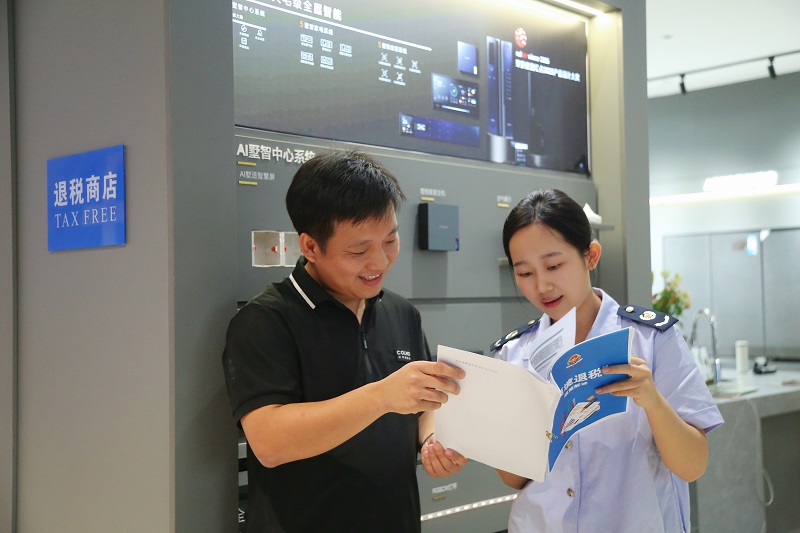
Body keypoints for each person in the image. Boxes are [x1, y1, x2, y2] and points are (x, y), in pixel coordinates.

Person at [222, 150, 467, 533]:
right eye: (358, 251)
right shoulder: (266, 321)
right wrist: (382, 396)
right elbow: (270, 442)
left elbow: (423, 404)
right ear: (310, 247)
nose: (380, 262)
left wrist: (432, 439)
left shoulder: (401, 312)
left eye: (390, 240)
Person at [490, 189, 723, 532]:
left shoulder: (651, 339)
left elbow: (693, 465)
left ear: (591, 256)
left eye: (554, 266)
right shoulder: (513, 353)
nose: (542, 285)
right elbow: (514, 479)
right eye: (525, 273)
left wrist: (652, 401)